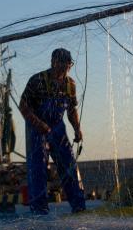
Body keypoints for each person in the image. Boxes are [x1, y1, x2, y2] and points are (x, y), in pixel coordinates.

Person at [18, 48, 86, 214]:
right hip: (37, 130)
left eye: (68, 65)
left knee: (69, 165)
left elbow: (71, 110)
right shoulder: (37, 80)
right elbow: (23, 106)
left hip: (58, 128)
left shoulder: (71, 85)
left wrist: (77, 129)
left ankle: (79, 207)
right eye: (62, 65)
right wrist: (39, 124)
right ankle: (39, 210)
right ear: (53, 62)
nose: (65, 69)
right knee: (38, 168)